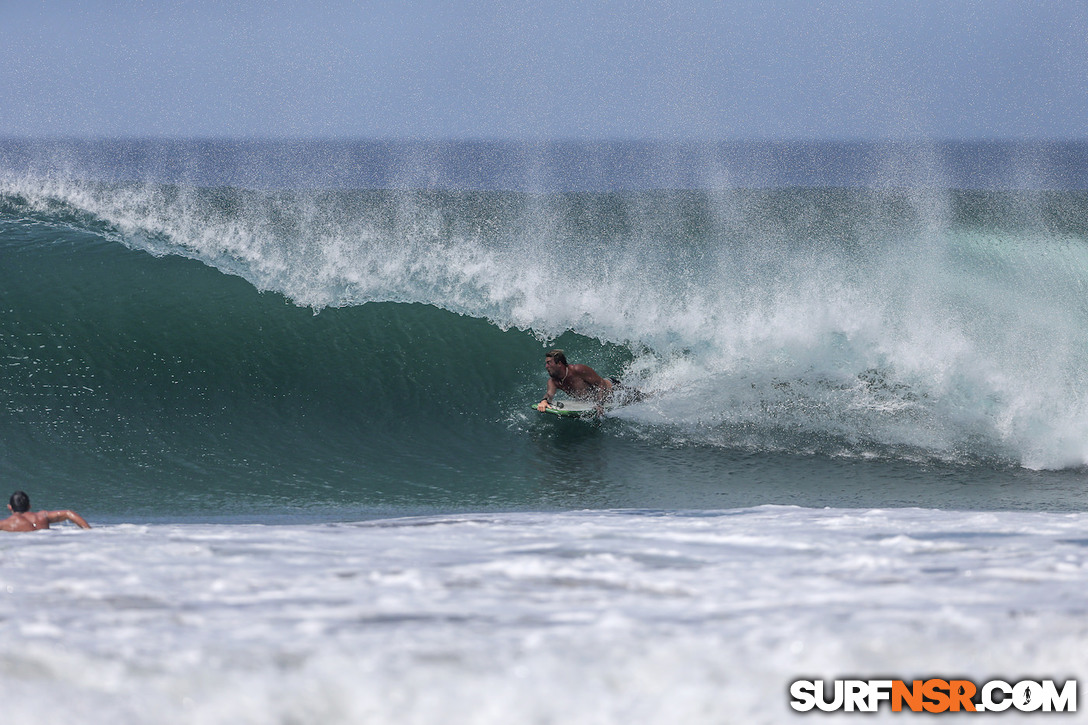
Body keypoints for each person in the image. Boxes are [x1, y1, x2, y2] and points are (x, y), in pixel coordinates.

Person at [537, 349, 619, 414]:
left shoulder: (578, 370)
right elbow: (549, 394)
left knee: (631, 401)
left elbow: (601, 383)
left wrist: (600, 404)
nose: (546, 366)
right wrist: (544, 401)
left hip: (615, 390)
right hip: (601, 400)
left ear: (559, 363)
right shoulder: (553, 382)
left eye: (549, 363)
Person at [0, 491, 91, 532]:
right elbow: (68, 513)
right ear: (29, 506)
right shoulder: (42, 516)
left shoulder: (5, 524)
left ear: (9, 507)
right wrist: (89, 531)